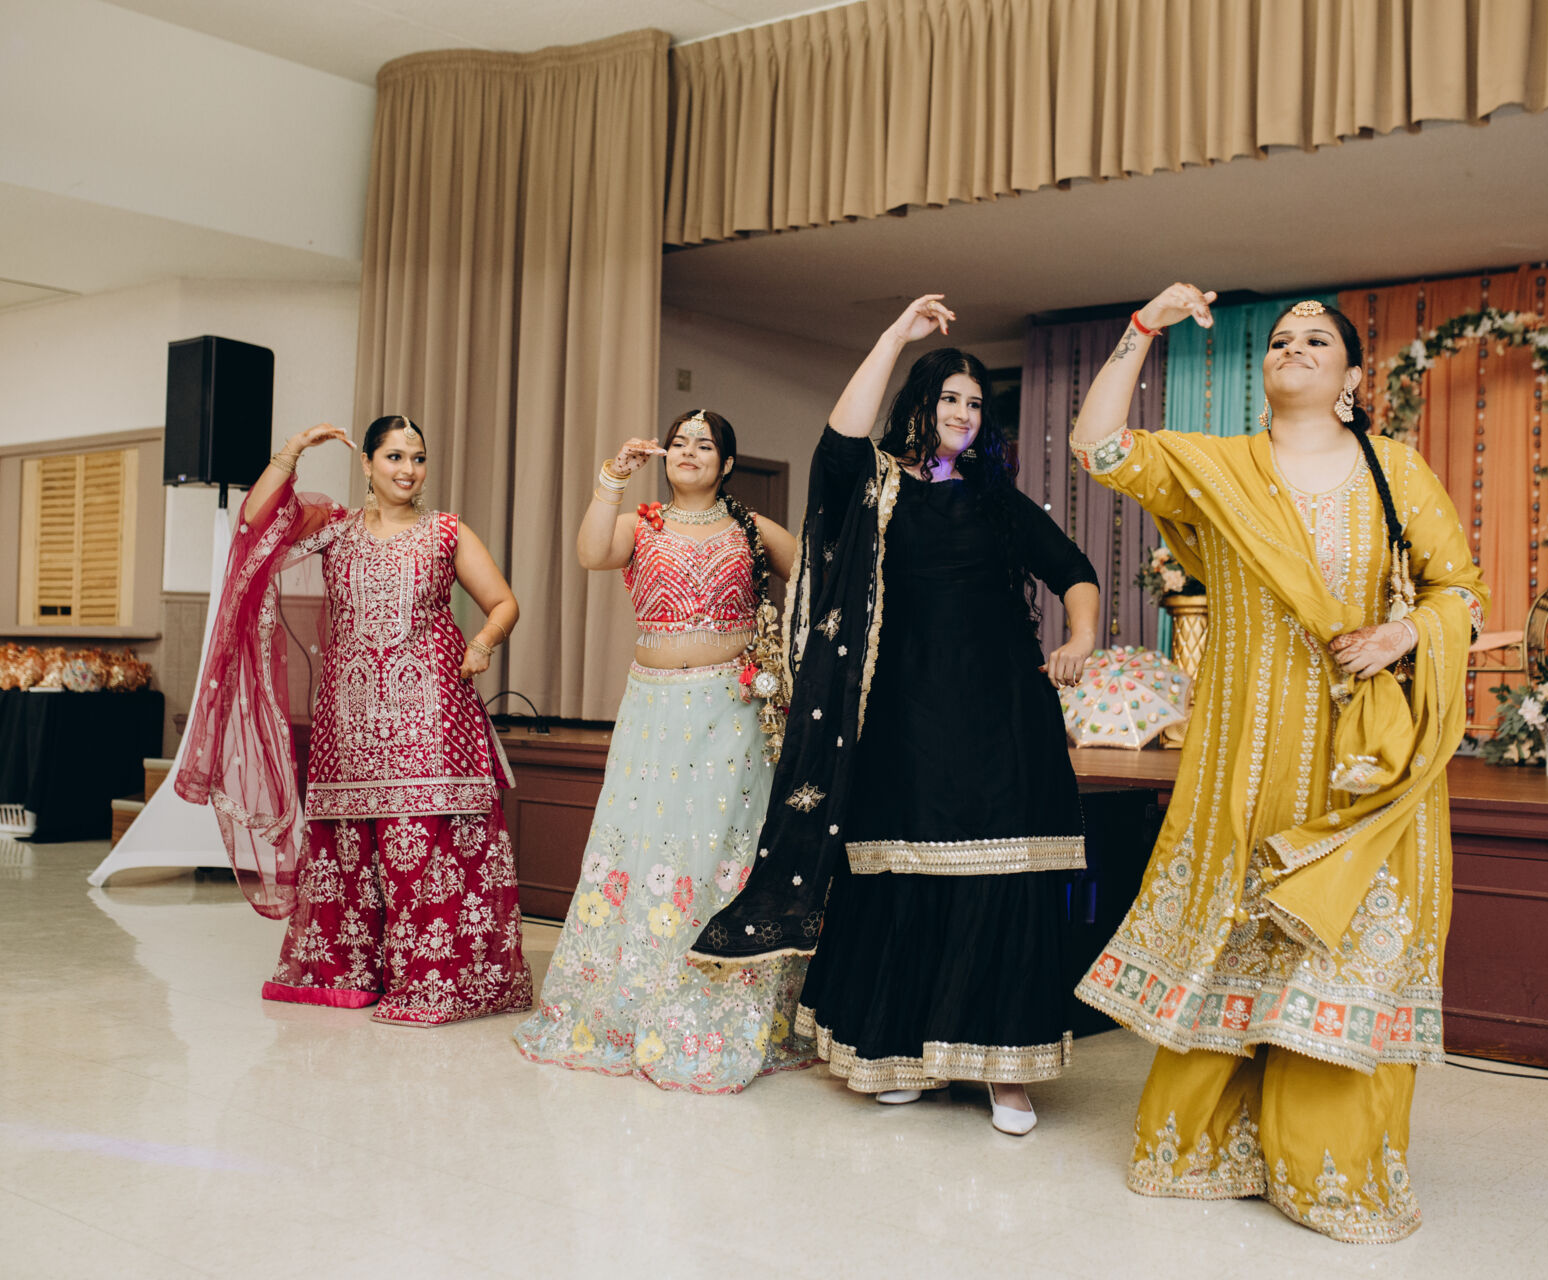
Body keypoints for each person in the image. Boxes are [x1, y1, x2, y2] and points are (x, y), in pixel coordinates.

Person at [1068, 289, 1488, 1242]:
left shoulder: (1395, 469)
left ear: (1351, 376)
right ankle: (1210, 1147)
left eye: (1317, 339)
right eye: (1280, 339)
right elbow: (1098, 447)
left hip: (1358, 762)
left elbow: (1460, 592)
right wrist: (1143, 327)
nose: (1293, 348)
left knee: (1341, 944)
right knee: (1237, 928)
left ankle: (1328, 1169)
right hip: (1247, 753)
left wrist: (1401, 635)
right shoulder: (1219, 469)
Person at [690, 296, 1101, 1135]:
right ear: (921, 402)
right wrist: (892, 337)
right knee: (904, 873)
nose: (964, 413)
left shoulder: (995, 498)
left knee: (1005, 877)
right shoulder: (874, 487)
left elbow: (1073, 568)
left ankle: (1005, 1072)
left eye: (976, 403)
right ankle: (902, 1051)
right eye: (950, 397)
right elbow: (838, 441)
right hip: (903, 717)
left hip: (1004, 717)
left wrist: (1084, 637)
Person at [173, 415, 533, 1027]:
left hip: (432, 714)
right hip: (350, 717)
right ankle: (352, 972)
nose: (408, 470)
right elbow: (255, 522)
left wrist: (483, 643)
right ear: (367, 463)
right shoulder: (333, 530)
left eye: (418, 458)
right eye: (394, 457)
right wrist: (292, 451)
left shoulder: (446, 531)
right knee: (349, 845)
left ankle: (439, 980)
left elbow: (503, 602)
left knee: (426, 842)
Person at [513, 409, 819, 1091]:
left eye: (704, 445)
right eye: (679, 442)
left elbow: (817, 578)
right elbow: (591, 552)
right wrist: (612, 478)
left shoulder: (748, 527)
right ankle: (632, 999)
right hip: (652, 711)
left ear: (727, 464)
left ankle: (727, 997)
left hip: (732, 712)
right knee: (645, 841)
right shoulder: (641, 523)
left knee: (720, 846)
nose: (689, 452)